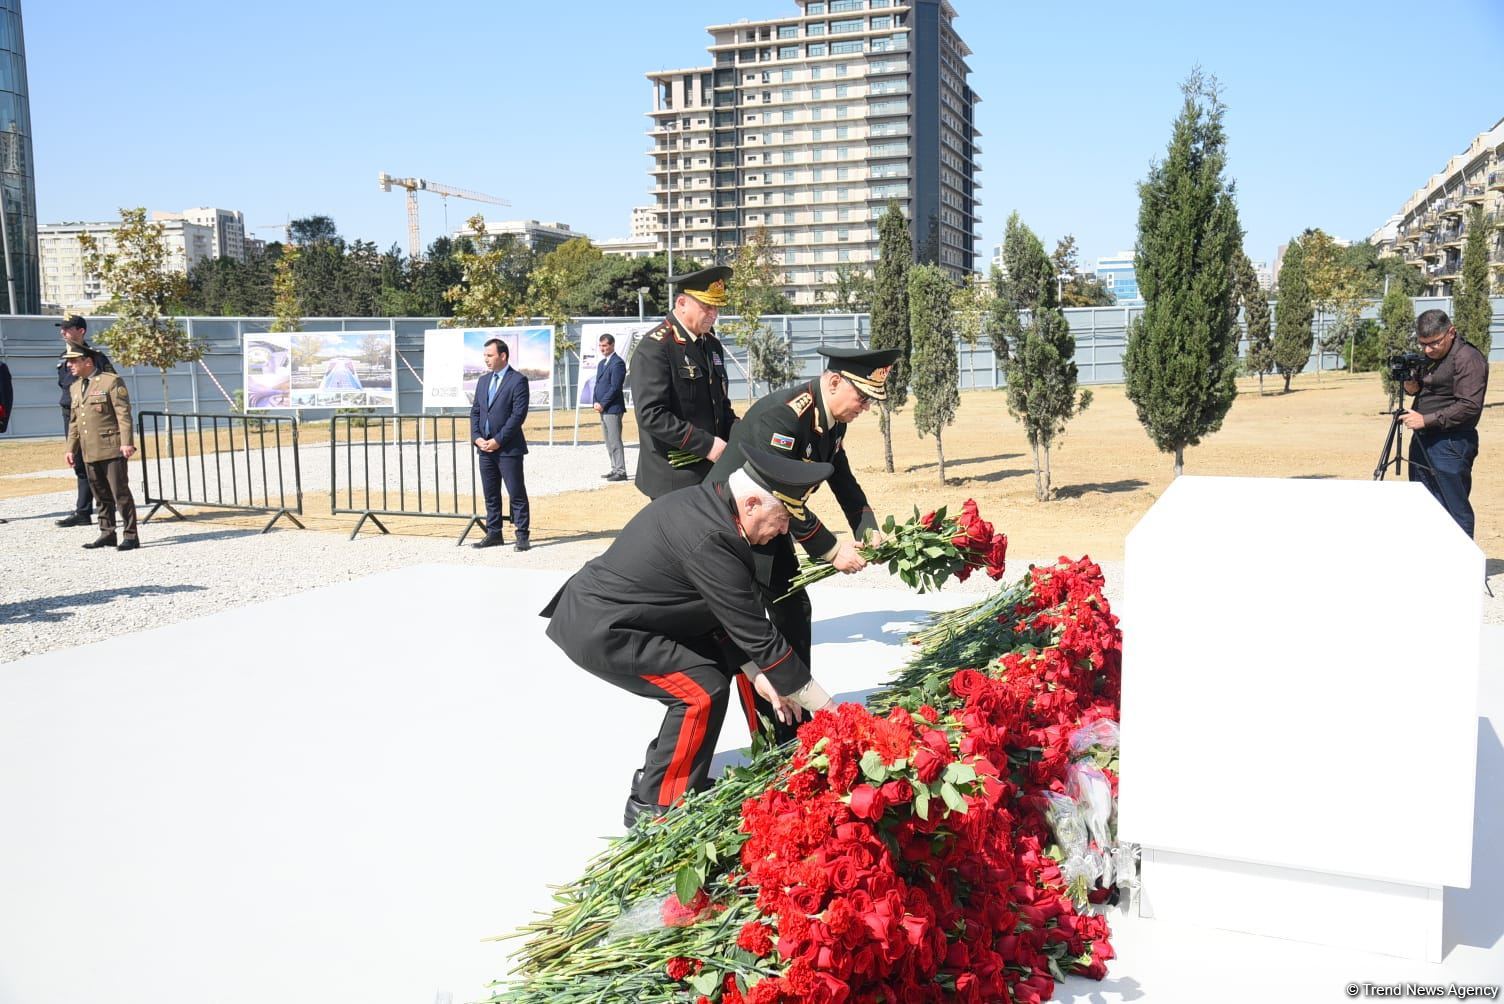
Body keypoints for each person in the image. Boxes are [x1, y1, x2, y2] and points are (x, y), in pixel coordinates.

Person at [542, 446, 838, 827]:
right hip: (605, 627)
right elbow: (757, 634)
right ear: (750, 505)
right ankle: (656, 804)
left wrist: (760, 675)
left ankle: (661, 777)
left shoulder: (714, 509)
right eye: (781, 519)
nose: (784, 531)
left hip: (630, 616)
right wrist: (834, 713)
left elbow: (729, 618)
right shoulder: (714, 536)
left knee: (713, 672)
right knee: (700, 690)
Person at [707, 346, 901, 742]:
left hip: (768, 527)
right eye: (862, 397)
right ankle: (773, 731)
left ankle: (793, 725)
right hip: (735, 531)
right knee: (760, 628)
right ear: (833, 382)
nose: (865, 406)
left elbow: (839, 475)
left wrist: (867, 527)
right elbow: (780, 496)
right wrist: (831, 550)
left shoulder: (831, 418)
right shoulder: (785, 417)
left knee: (793, 612)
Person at [629, 265, 738, 499]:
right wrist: (708, 445)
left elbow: (719, 404)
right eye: (707, 306)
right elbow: (651, 415)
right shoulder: (656, 347)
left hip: (712, 472)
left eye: (716, 307)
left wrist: (743, 434)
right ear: (681, 303)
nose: (714, 314)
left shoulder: (711, 344)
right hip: (675, 476)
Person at [1401, 308, 1489, 538]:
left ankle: (1462, 567)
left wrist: (1425, 419)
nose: (1428, 350)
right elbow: (1428, 388)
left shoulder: (1468, 358)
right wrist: (1412, 387)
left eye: (1434, 343)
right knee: (1424, 503)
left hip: (1451, 442)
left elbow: (1469, 406)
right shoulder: (1429, 357)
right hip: (1423, 439)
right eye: (1423, 344)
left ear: (1451, 332)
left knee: (1452, 507)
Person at [62, 347, 139, 551]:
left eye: (73, 361)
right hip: (89, 450)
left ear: (88, 361)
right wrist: (71, 448)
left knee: (119, 493)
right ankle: (107, 533)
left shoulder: (110, 381)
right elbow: (75, 422)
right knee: (100, 494)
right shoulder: (75, 387)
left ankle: (131, 536)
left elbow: (123, 414)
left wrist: (126, 442)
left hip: (112, 447)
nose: (69, 365)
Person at [54, 315, 116, 529]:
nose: (63, 332)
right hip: (70, 414)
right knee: (79, 463)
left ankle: (96, 508)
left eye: (68, 328)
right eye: (62, 329)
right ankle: (84, 510)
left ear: (81, 331)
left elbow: (109, 385)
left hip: (91, 415)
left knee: (95, 463)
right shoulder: (64, 358)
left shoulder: (95, 357)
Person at [470, 338, 531, 551]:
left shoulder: (518, 381)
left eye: (490, 355)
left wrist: (498, 441)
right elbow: (476, 411)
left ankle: (522, 535)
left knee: (516, 492)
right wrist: (477, 437)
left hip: (507, 448)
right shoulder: (483, 381)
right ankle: (494, 533)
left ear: (502, 356)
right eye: (485, 355)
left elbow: (517, 416)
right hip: (484, 448)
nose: (485, 359)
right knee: (491, 493)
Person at [593, 333, 628, 482]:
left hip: (612, 408)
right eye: (601, 346)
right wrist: (595, 401)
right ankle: (614, 468)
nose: (602, 349)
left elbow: (615, 387)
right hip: (602, 408)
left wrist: (603, 403)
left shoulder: (617, 363)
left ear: (612, 345)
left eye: (605, 346)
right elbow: (598, 385)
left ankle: (621, 471)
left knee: (615, 440)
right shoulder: (602, 363)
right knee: (608, 441)